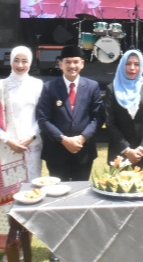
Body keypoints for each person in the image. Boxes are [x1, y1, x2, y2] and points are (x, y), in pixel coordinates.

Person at [37, 45, 103, 262]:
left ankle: (81, 241)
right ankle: (58, 246)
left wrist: (82, 139)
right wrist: (63, 139)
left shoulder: (92, 86)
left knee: (81, 197)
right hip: (57, 152)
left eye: (76, 62)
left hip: (83, 153)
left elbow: (97, 118)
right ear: (60, 64)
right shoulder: (49, 88)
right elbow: (43, 119)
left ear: (82, 64)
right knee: (58, 199)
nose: (72, 66)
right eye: (68, 62)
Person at [0, 46, 44, 253]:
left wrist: (31, 136)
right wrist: (7, 139)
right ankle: (9, 247)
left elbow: (43, 115)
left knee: (28, 196)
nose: (21, 65)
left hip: (32, 149)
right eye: (17, 60)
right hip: (6, 150)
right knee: (8, 199)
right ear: (11, 61)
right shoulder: (0, 86)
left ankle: (25, 245)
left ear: (30, 62)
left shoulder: (38, 85)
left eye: (25, 61)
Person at [104, 50, 143, 168]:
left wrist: (142, 148)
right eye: (128, 63)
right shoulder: (112, 89)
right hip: (120, 153)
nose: (132, 68)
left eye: (136, 64)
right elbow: (110, 123)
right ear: (122, 65)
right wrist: (127, 150)